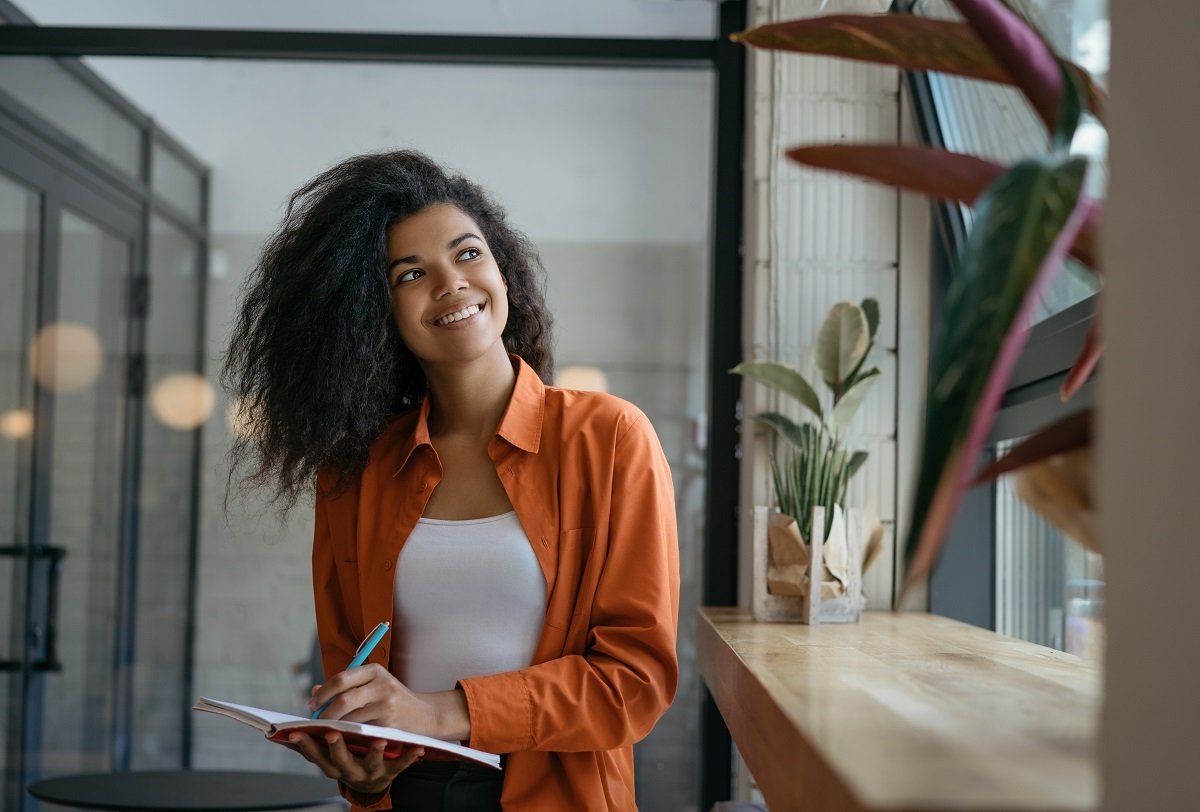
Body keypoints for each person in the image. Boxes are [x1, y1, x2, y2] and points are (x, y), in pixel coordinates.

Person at [222, 150, 680, 811]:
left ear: (501, 269)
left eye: (468, 254)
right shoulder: (355, 471)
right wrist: (359, 765)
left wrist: (443, 712)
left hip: (557, 796)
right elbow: (354, 678)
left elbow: (634, 683)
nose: (451, 283)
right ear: (373, 312)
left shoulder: (608, 439)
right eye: (411, 273)